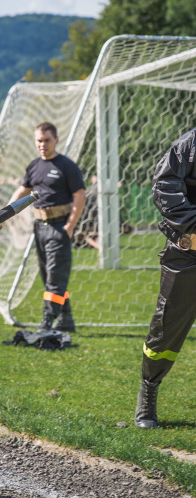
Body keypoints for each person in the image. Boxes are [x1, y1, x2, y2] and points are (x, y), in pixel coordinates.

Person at [134, 128, 196, 429]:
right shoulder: (189, 145)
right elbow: (164, 186)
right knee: (166, 329)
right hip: (187, 255)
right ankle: (148, 394)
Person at [7, 122, 86, 333]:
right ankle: (66, 320)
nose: (42, 145)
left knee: (54, 277)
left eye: (47, 140)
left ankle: (46, 323)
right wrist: (4, 215)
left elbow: (80, 195)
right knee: (49, 277)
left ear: (56, 140)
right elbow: (23, 190)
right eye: (39, 141)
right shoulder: (34, 166)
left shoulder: (66, 166)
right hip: (39, 228)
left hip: (59, 227)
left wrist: (70, 226)